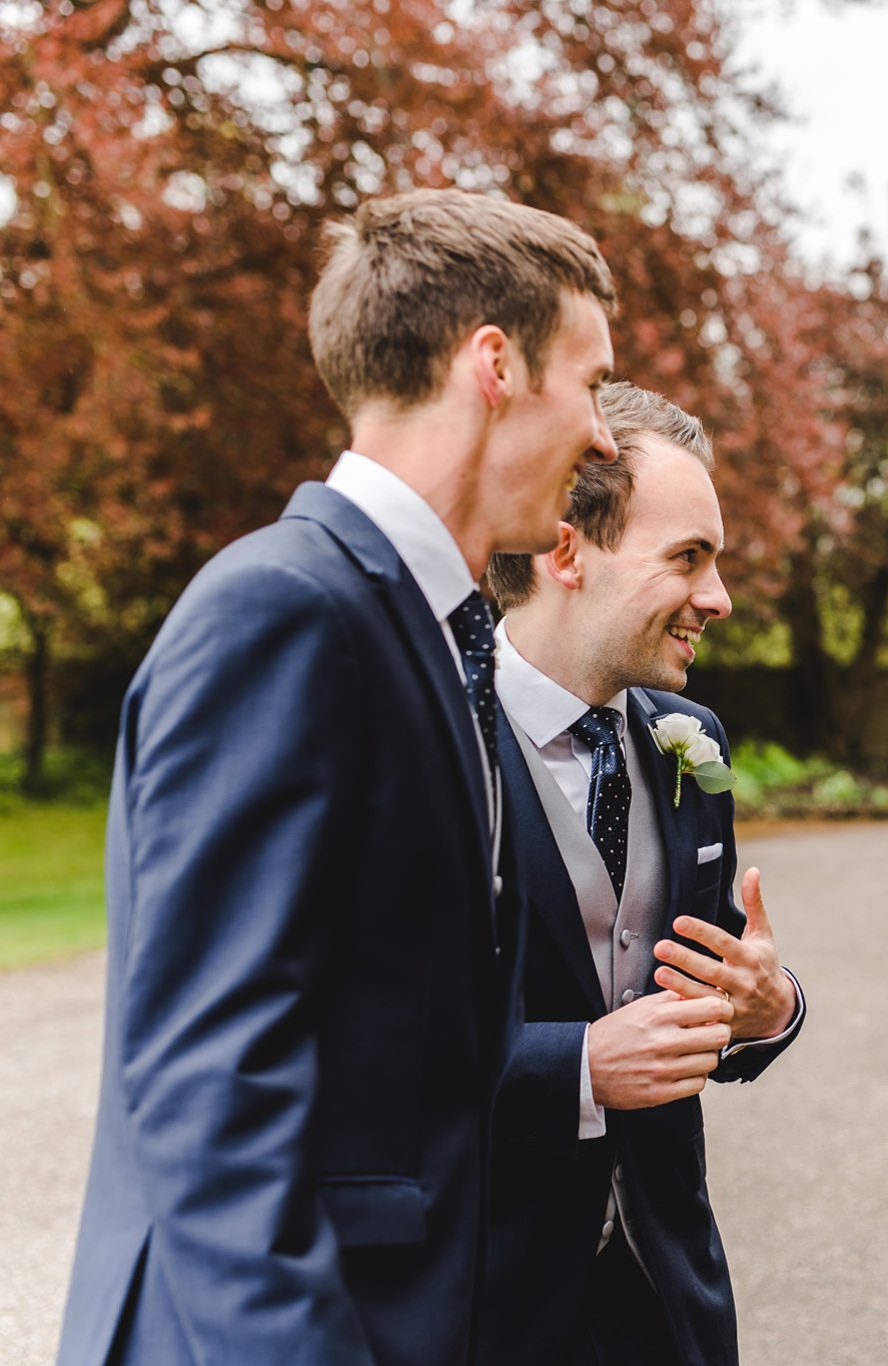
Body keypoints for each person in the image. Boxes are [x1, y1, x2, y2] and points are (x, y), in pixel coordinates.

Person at [57, 189, 619, 1366]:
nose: (606, 434)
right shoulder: (286, 613)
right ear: (494, 364)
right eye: (591, 382)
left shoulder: (432, 638)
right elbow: (212, 1090)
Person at [479, 381, 803, 1365]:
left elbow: (706, 994)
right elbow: (369, 1043)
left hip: (667, 1297)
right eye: (687, 558)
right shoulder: (427, 740)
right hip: (481, 1299)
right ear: (565, 550)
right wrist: (573, 1070)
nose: (718, 598)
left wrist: (768, 1006)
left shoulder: (688, 738)